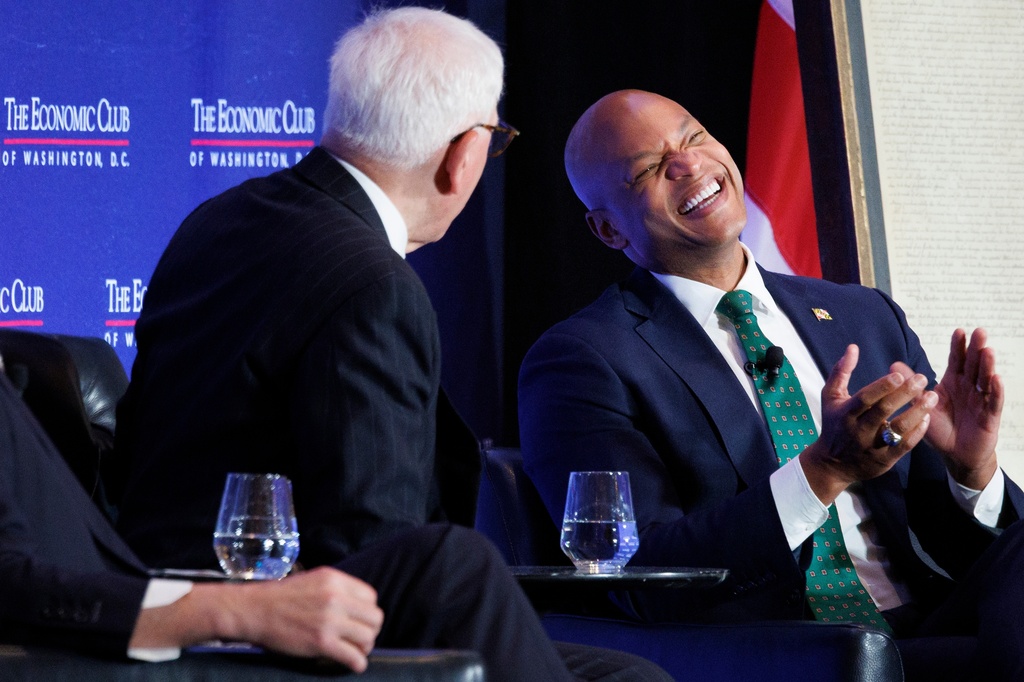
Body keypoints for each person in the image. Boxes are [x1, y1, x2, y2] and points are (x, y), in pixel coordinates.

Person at [518, 89, 1024, 680]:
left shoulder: (863, 315)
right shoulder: (584, 358)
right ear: (608, 230)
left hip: (927, 626)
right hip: (775, 649)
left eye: (694, 137)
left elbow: (963, 548)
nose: (687, 164)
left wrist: (973, 472)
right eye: (651, 169)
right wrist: (824, 472)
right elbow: (637, 575)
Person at [114, 7, 508, 569]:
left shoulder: (215, 220)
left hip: (153, 597)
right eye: (495, 137)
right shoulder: (375, 287)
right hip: (280, 635)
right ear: (464, 154)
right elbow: (373, 551)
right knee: (625, 665)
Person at [0, 357, 669, 681]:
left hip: (146, 607)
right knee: (454, 566)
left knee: (624, 676)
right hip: (101, 652)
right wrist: (232, 613)